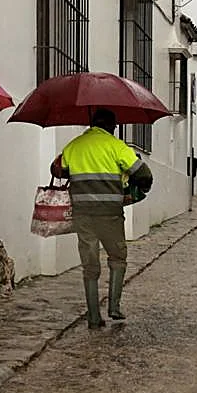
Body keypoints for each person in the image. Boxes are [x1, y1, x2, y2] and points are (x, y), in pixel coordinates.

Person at [51, 108, 153, 328]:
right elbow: (143, 174)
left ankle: (93, 318)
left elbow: (59, 170)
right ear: (111, 126)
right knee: (117, 258)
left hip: (83, 215)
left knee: (90, 266)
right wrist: (135, 190)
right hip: (110, 215)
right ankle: (114, 308)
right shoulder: (117, 146)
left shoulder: (74, 146)